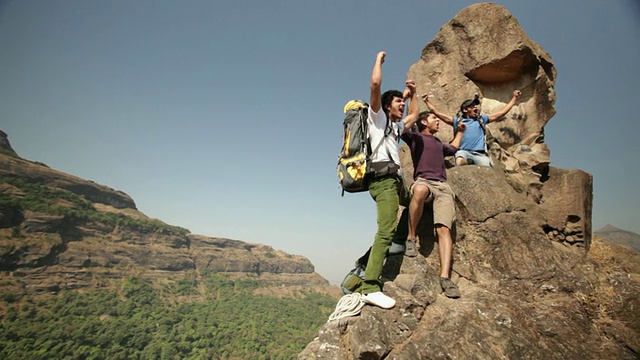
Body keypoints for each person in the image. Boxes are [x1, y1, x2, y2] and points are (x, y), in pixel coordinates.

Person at [359, 51, 419, 309]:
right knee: (385, 228)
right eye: (397, 101)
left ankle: (397, 242)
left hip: (396, 182)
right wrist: (377, 60)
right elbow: (375, 85)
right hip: (383, 181)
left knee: (417, 197)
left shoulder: (394, 127)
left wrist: (412, 95)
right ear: (386, 106)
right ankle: (370, 286)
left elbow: (414, 116)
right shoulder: (377, 118)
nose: (401, 104)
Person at [401, 110, 466, 298]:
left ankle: (445, 278)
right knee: (419, 191)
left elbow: (453, 148)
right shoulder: (415, 138)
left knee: (444, 230)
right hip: (424, 182)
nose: (438, 121)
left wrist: (460, 132)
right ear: (423, 121)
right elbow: (405, 125)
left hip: (443, 187)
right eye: (434, 119)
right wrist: (412, 95)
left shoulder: (438, 143)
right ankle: (411, 238)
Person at [422, 90, 521, 166]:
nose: (475, 108)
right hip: (463, 151)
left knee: (486, 170)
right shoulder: (458, 121)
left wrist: (515, 98)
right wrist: (427, 101)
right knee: (460, 160)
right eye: (472, 106)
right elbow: (438, 113)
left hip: (480, 154)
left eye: (476, 106)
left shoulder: (481, 119)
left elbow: (502, 113)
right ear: (465, 109)